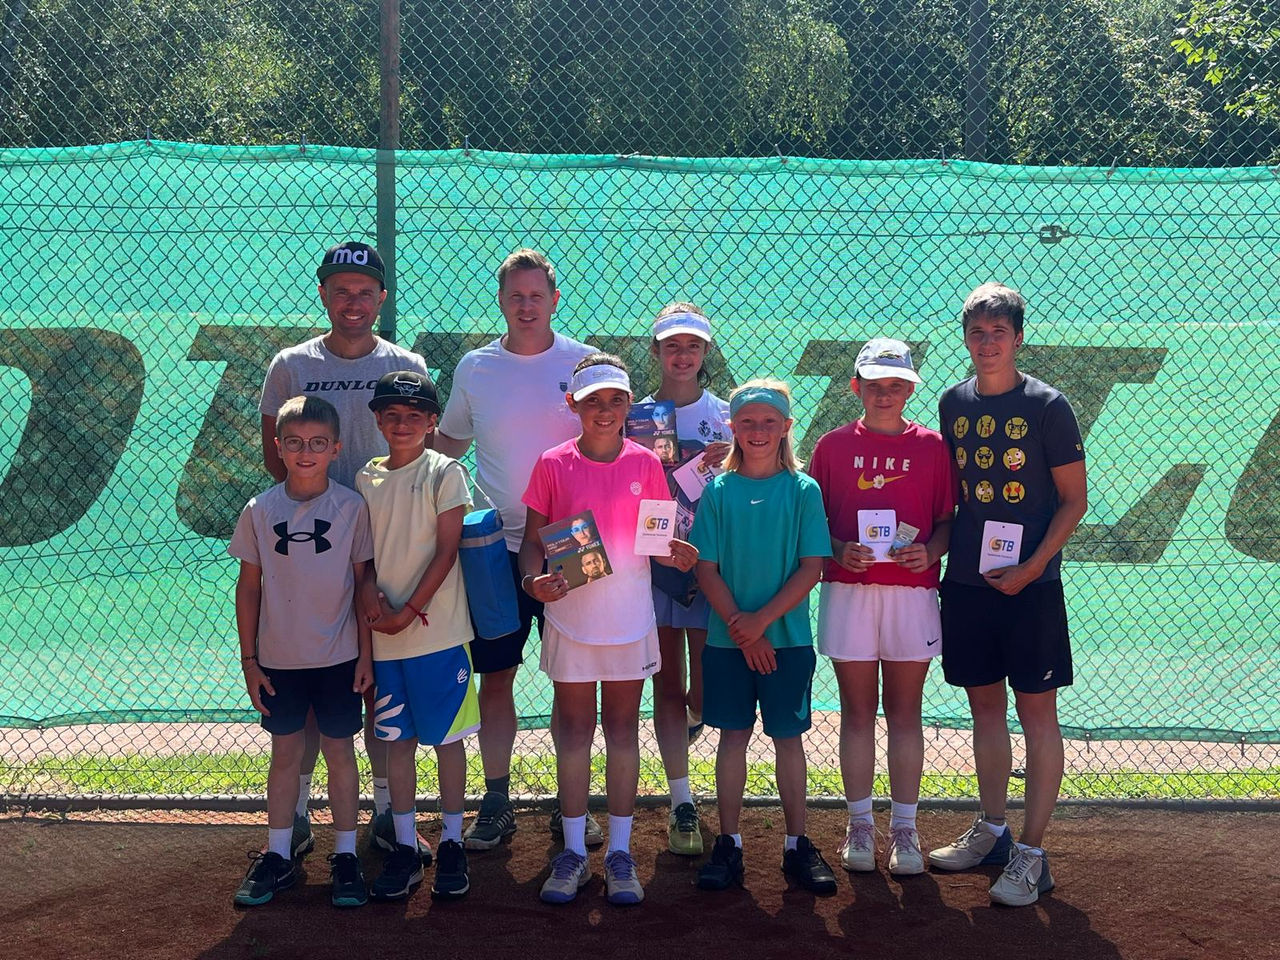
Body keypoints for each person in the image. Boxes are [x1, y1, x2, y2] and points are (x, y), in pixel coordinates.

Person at [258, 241, 430, 859]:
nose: (352, 302)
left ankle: (386, 810)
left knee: (378, 684)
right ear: (324, 295)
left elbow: (420, 448)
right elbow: (274, 453)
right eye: (340, 290)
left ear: (381, 298)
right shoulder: (291, 364)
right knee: (311, 680)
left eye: (365, 291)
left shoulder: (405, 361)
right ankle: (298, 812)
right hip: (317, 552)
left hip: (389, 545)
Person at [433, 249, 600, 850]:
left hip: (573, 542)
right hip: (491, 548)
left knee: (572, 679)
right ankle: (497, 799)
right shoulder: (476, 368)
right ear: (501, 302)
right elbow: (446, 445)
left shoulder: (583, 363)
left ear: (555, 300)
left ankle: (571, 804)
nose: (526, 306)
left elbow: (610, 445)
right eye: (515, 297)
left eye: (537, 296)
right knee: (495, 675)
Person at [928, 283, 1087, 907]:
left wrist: (1031, 567)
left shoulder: (1050, 406)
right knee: (984, 711)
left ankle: (1032, 853)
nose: (987, 342)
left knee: (1037, 715)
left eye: (999, 332)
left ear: (1018, 338)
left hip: (1031, 588)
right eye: (977, 332)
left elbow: (1073, 502)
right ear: (965, 338)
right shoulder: (951, 403)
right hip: (968, 583)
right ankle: (992, 831)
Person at [519, 354, 698, 905]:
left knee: (622, 731)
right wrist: (532, 581)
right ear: (572, 405)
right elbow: (532, 542)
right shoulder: (552, 463)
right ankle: (573, 849)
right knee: (574, 733)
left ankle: (620, 852)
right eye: (592, 400)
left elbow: (655, 542)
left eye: (614, 400)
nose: (603, 411)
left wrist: (676, 554)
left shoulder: (647, 462)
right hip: (570, 621)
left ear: (628, 405)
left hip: (628, 622)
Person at [808, 338, 954, 876]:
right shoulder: (831, 445)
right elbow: (812, 521)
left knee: (905, 711)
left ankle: (906, 828)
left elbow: (946, 520)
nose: (885, 395)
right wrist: (836, 549)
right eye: (874, 385)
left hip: (912, 593)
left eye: (896, 386)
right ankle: (860, 823)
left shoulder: (934, 447)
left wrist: (930, 551)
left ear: (911, 389)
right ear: (856, 388)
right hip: (848, 589)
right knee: (857, 711)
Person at [689, 379, 837, 895]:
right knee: (732, 738)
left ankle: (797, 844)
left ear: (786, 428)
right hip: (729, 643)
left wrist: (762, 624)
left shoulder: (804, 490)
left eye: (768, 422)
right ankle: (729, 843)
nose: (757, 431)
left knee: (787, 739)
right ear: (732, 427)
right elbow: (706, 569)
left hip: (788, 642)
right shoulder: (718, 491)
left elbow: (811, 567)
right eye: (747, 422)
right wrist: (744, 630)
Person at [229, 395, 374, 908]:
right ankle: (277, 854)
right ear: (279, 448)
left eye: (317, 444)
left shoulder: (351, 507)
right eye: (294, 443)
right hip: (278, 662)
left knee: (340, 753)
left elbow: (363, 586)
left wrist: (366, 654)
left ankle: (347, 856)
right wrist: (250, 661)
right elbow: (249, 588)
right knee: (285, 754)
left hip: (338, 658)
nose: (305, 452)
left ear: (335, 448)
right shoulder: (260, 510)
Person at [355, 371, 480, 902]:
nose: (402, 423)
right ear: (378, 421)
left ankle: (451, 839)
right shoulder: (365, 477)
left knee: (447, 742)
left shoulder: (445, 471)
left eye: (414, 415)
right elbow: (363, 557)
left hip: (438, 634)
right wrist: (368, 594)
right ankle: (406, 844)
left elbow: (447, 550)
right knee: (397, 743)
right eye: (391, 415)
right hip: (385, 640)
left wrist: (410, 611)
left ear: (433, 422)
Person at [639, 303, 731, 857]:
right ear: (656, 352)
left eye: (692, 346)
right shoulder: (631, 414)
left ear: (704, 353)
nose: (682, 355)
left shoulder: (726, 414)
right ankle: (682, 803)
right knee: (665, 683)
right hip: (649, 566)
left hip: (707, 566)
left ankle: (696, 714)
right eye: (671, 345)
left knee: (705, 688)